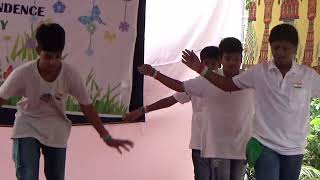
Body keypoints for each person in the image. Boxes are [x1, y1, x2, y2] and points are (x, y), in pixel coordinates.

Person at [181, 23, 319, 180]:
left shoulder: (308, 76)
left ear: (294, 49)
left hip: (295, 147)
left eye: (285, 48)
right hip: (264, 145)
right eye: (275, 48)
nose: (279, 52)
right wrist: (201, 69)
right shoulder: (260, 72)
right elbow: (227, 85)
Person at [0, 23, 134, 180]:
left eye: (58, 56)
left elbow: (87, 107)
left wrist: (106, 137)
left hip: (56, 129)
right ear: (38, 51)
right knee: (28, 176)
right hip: (27, 125)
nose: (53, 62)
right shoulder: (22, 74)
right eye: (48, 56)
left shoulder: (70, 74)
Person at [136, 38, 254, 180]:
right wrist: (155, 74)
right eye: (228, 58)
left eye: (236, 59)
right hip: (213, 147)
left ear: (241, 59)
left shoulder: (251, 79)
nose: (232, 62)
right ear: (221, 60)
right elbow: (177, 88)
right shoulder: (205, 81)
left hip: (242, 147)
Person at [123, 46, 221, 180]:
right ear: (200, 63)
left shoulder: (228, 83)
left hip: (222, 145)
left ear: (220, 63)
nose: (209, 68)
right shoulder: (196, 84)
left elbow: (177, 86)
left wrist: (154, 73)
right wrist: (142, 110)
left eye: (213, 64)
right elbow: (170, 100)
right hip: (200, 144)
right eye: (206, 64)